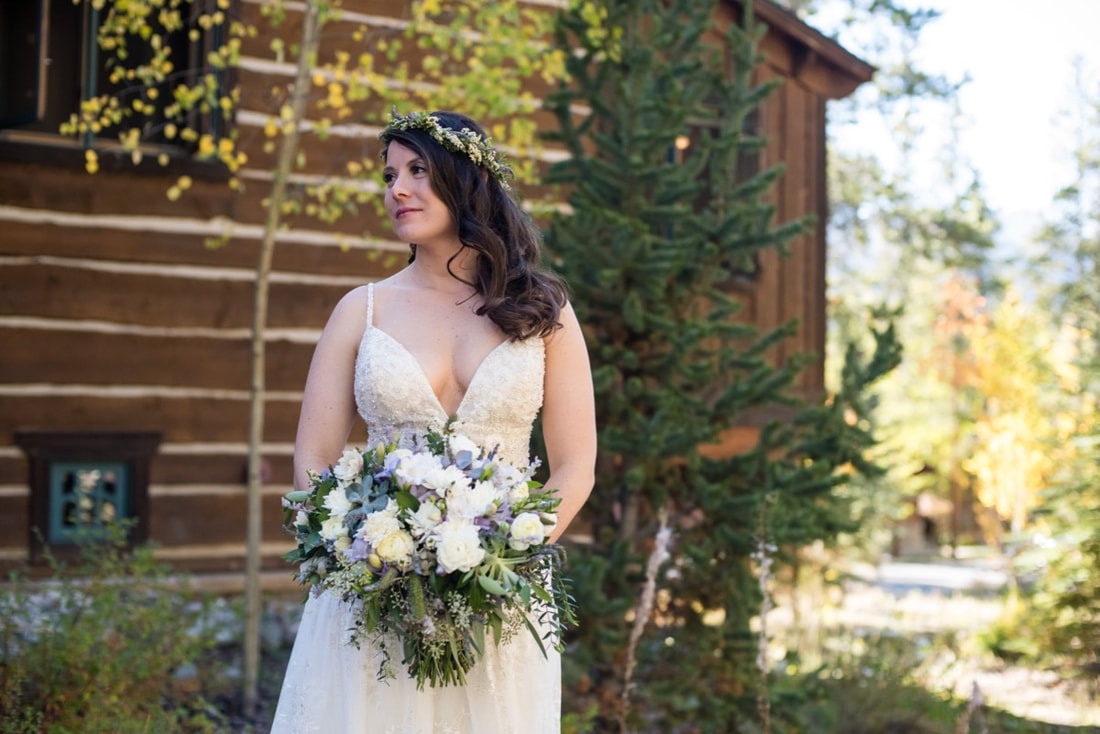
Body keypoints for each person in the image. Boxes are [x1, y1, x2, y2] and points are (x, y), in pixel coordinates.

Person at [271, 110, 597, 733]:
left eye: (417, 170)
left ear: (466, 179)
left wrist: (505, 559)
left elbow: (576, 464)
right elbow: (313, 460)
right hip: (371, 596)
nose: (396, 189)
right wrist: (363, 556)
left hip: (499, 603)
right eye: (389, 174)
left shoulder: (545, 311)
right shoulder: (361, 311)